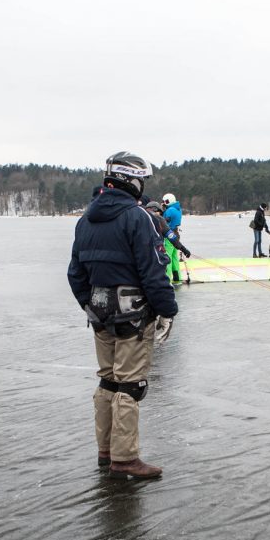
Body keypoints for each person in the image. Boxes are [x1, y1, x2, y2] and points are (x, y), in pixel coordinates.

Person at [67, 152, 178, 480]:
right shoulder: (138, 218)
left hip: (100, 316)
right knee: (130, 385)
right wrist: (168, 311)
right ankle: (125, 459)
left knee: (108, 380)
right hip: (133, 317)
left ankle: (106, 451)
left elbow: (76, 274)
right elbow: (154, 272)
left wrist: (90, 305)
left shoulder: (85, 220)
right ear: (132, 180)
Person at [144, 199, 191, 272]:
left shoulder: (139, 216)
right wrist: (183, 249)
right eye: (160, 212)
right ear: (155, 210)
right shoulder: (158, 219)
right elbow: (171, 237)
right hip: (155, 255)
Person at [161, 193, 184, 283]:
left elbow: (163, 220)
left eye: (165, 201)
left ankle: (167, 278)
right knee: (174, 256)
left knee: (168, 257)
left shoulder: (169, 210)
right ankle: (177, 277)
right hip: (176, 234)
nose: (164, 203)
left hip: (169, 236)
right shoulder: (178, 209)